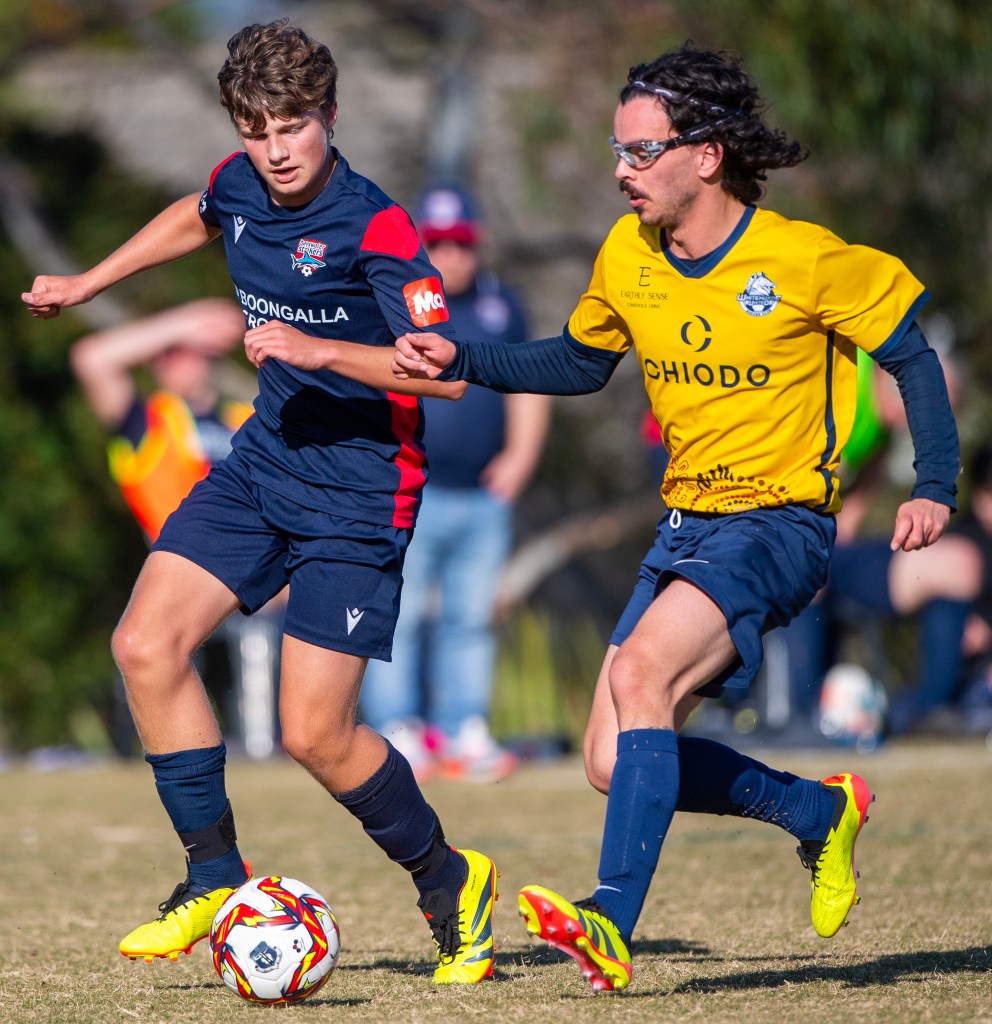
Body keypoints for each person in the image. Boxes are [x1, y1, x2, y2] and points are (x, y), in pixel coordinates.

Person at [386, 44, 959, 991]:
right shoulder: (629, 253)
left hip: (780, 524)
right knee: (610, 761)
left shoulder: (803, 258)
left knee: (642, 672)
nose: (623, 170)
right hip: (686, 528)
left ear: (707, 155)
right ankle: (818, 814)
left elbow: (911, 353)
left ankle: (609, 919)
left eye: (641, 151)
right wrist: (464, 358)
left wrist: (933, 481)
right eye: (618, 149)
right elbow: (579, 363)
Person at [22, 20, 496, 985]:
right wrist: (89, 281)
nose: (275, 151)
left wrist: (318, 350)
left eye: (292, 126)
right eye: (255, 130)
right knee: (144, 645)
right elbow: (197, 212)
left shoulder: (379, 226)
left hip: (361, 492)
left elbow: (445, 375)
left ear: (330, 115)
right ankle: (212, 873)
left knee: (313, 735)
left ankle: (451, 881)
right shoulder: (239, 183)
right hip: (262, 465)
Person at [360, 184, 551, 783]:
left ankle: (463, 727)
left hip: (483, 495)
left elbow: (529, 381)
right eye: (437, 243)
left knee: (470, 616)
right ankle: (397, 728)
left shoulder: (503, 306)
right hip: (411, 487)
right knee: (401, 612)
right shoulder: (399, 301)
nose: (450, 255)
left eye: (460, 243)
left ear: (478, 243)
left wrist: (521, 456)